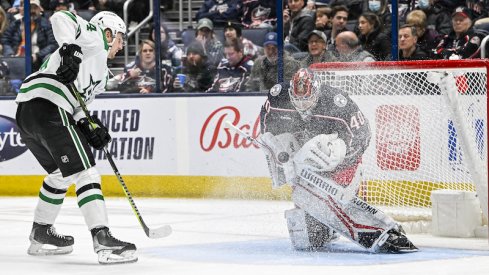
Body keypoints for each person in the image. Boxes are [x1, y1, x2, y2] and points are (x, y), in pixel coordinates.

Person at [15, 10, 137, 264]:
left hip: (28, 112)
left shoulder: (102, 75)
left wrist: (89, 125)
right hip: (48, 103)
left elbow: (78, 105)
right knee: (86, 173)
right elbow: (61, 18)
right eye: (120, 37)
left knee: (62, 174)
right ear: (109, 32)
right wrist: (71, 48)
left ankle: (41, 232)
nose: (122, 44)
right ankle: (102, 239)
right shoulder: (94, 39)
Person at [258, 68, 418, 253]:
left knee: (340, 203)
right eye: (298, 99)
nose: (302, 105)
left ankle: (378, 231)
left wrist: (340, 158)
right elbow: (267, 130)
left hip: (342, 164)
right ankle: (327, 228)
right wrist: (279, 153)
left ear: (317, 92)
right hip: (306, 165)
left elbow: (363, 136)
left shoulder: (338, 103)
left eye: (306, 99)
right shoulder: (278, 97)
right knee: (310, 239)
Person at [1, 0, 58, 70]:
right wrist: (10, 54)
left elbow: (52, 44)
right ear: (23, 10)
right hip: (17, 56)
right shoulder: (16, 24)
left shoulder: (46, 24)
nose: (32, 11)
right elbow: (5, 40)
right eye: (30, 8)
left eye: (35, 8)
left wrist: (37, 55)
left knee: (49, 59)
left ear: (39, 9)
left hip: (38, 57)